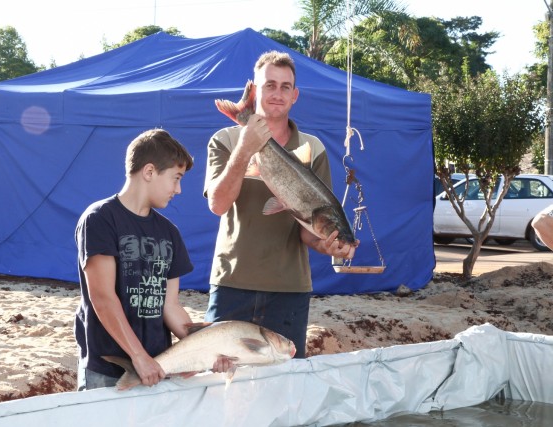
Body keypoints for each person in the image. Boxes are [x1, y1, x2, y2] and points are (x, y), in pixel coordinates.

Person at [203, 51, 359, 359]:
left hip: (289, 291)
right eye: (270, 85)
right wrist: (244, 149)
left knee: (285, 381)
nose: (277, 93)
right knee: (221, 376)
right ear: (255, 89)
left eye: (285, 86)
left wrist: (328, 245)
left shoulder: (312, 148)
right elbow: (218, 205)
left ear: (295, 95)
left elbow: (308, 228)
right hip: (232, 282)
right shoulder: (224, 139)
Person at [74, 128, 208, 390]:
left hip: (156, 367)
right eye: (176, 178)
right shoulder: (99, 219)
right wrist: (138, 356)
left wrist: (208, 349)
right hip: (106, 369)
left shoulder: (169, 232)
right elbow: (102, 297)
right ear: (149, 172)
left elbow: (170, 305)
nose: (179, 189)